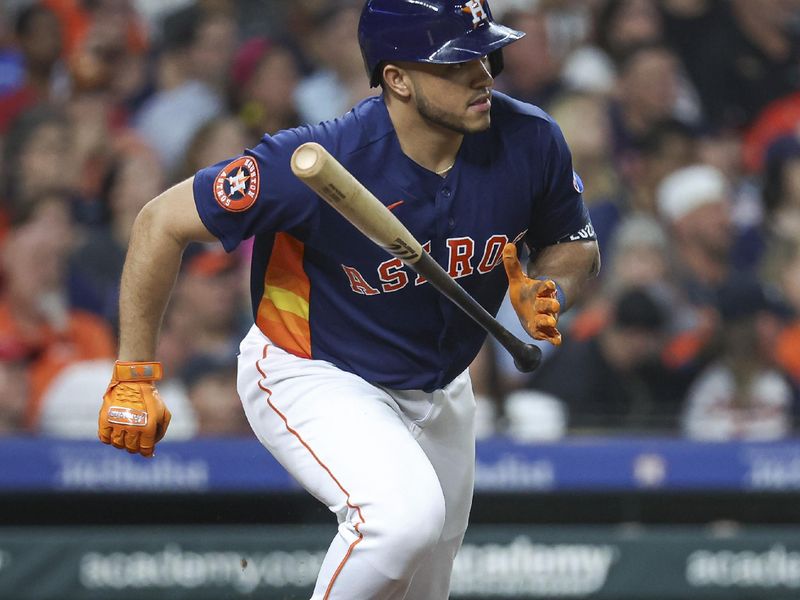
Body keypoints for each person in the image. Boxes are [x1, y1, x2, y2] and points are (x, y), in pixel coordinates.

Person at [97, 2, 600, 598]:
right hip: (315, 367)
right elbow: (160, 222)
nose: (483, 74)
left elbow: (573, 243)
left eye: (484, 53)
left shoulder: (530, 139)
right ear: (397, 79)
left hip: (442, 383)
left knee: (422, 584)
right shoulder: (316, 162)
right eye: (457, 62)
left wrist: (550, 288)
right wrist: (133, 372)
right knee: (399, 523)